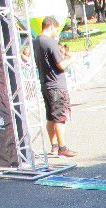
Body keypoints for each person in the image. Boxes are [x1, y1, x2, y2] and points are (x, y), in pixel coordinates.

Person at [33, 16, 76, 158]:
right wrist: (70, 59)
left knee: (50, 117)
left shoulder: (36, 41)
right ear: (50, 27)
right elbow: (61, 65)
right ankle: (62, 148)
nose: (56, 33)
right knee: (59, 118)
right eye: (56, 30)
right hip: (56, 85)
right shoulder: (51, 42)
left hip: (45, 84)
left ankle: (54, 146)